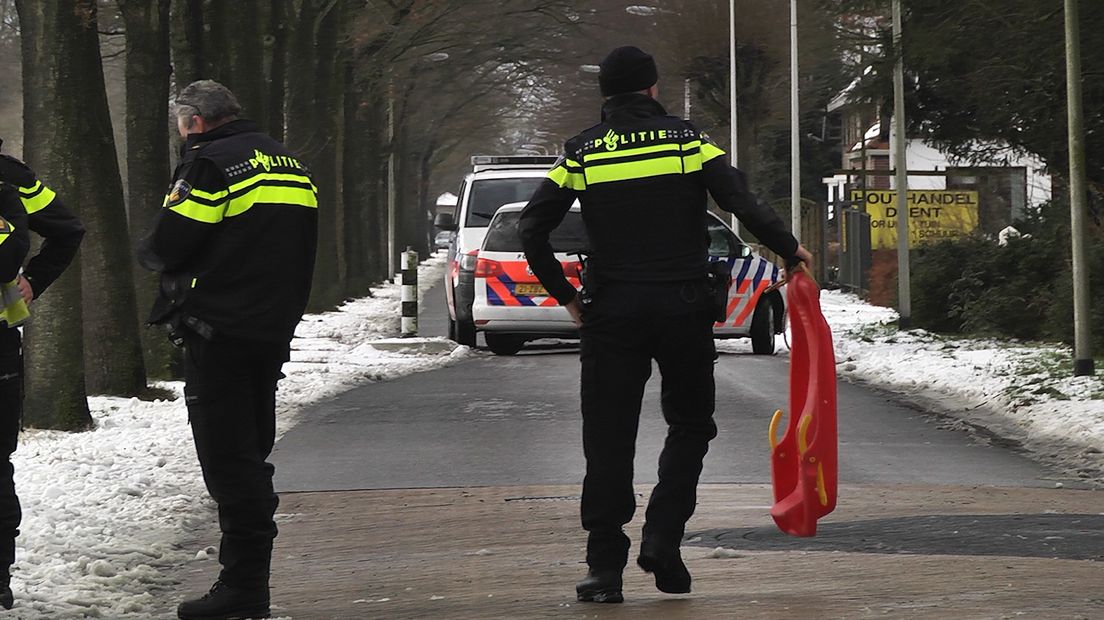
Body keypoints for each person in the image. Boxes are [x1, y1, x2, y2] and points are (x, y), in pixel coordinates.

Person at [518, 46, 812, 604]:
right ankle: (664, 538)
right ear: (653, 89)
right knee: (692, 424)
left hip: (612, 311)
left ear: (606, 95)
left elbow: (533, 231)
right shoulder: (687, 140)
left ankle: (604, 571)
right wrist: (788, 249)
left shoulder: (581, 152)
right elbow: (739, 201)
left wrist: (567, 297)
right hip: (683, 306)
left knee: (608, 437)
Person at [138, 80, 318, 620]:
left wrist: (155, 255)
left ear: (193, 120)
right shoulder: (289, 163)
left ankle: (243, 589)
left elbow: (173, 240)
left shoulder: (210, 165)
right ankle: (246, 584)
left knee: (228, 460)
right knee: (250, 451)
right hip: (270, 329)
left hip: (218, 328)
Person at [0, 149, 85, 610]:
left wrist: (33, 278)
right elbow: (67, 230)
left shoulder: (9, 177)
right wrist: (32, 279)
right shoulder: (9, 173)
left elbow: (68, 231)